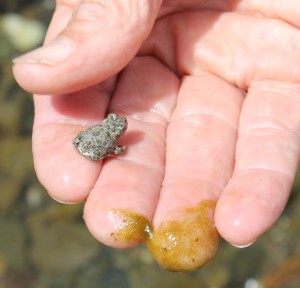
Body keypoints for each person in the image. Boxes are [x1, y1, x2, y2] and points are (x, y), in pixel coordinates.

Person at [13, 1, 300, 250]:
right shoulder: (112, 138)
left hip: (86, 140)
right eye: (117, 125)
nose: (119, 125)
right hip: (91, 144)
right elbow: (112, 146)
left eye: (117, 126)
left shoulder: (110, 130)